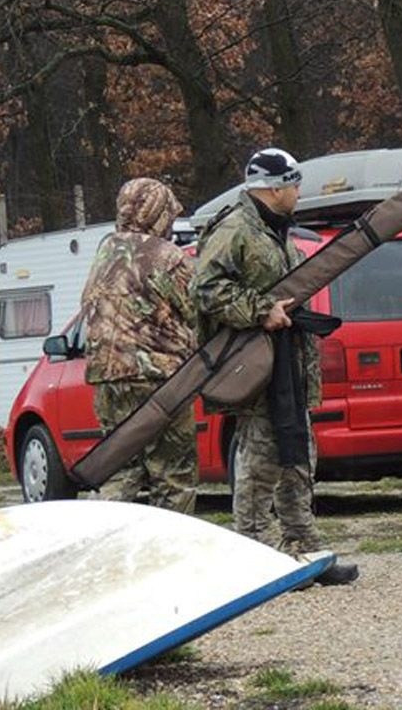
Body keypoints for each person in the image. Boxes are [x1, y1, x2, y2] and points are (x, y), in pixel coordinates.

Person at [192, 147, 358, 585]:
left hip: (290, 365)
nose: (299, 191)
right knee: (260, 459)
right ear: (272, 187)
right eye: (293, 183)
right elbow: (205, 290)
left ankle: (304, 547)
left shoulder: (276, 230)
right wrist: (260, 309)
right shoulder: (234, 229)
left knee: (298, 454)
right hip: (256, 367)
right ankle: (253, 555)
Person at [80, 178, 198, 513]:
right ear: (160, 214)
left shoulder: (105, 252)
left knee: (120, 469)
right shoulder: (169, 256)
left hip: (107, 380)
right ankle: (170, 552)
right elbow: (196, 310)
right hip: (160, 383)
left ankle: (106, 543)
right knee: (173, 476)